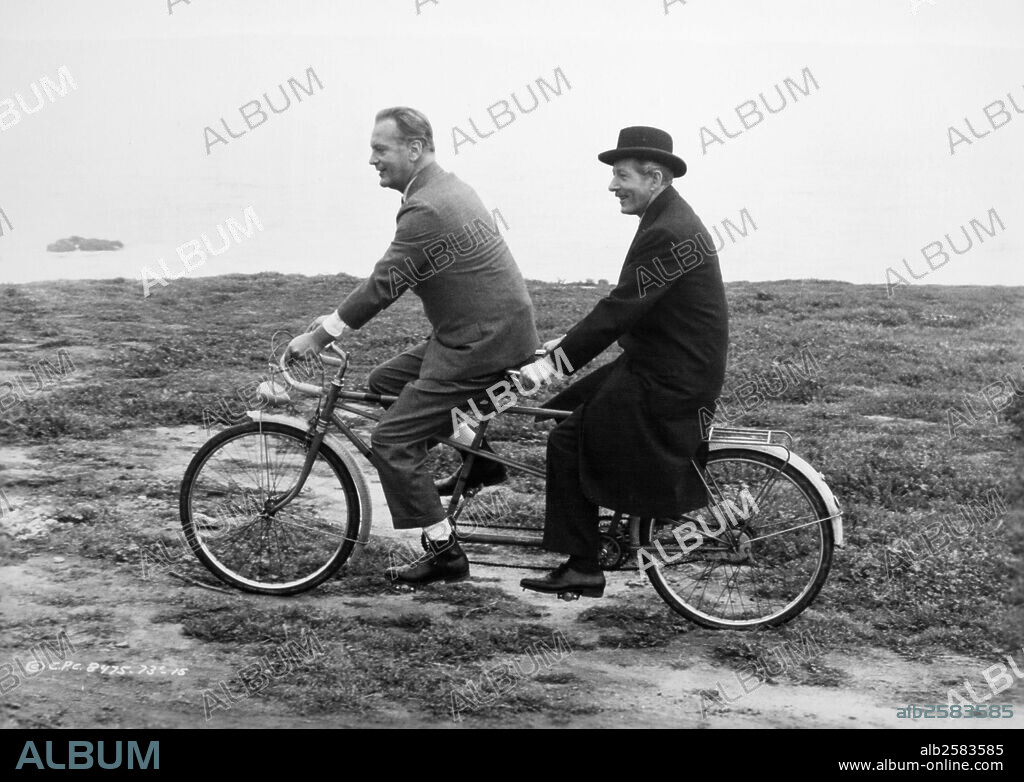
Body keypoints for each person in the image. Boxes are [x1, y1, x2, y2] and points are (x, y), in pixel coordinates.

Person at [286, 107, 538, 586]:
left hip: (479, 344)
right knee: (384, 382)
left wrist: (321, 335)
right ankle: (480, 462)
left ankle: (444, 551)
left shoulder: (428, 207)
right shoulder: (445, 188)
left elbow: (386, 282)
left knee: (393, 440)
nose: (372, 160)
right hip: (483, 331)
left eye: (381, 149)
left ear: (415, 149)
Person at [518, 126, 729, 598]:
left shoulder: (668, 230)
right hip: (661, 364)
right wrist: (564, 344)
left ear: (654, 177)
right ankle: (606, 520)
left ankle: (583, 565)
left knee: (566, 440)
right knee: (562, 409)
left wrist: (554, 362)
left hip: (669, 378)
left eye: (621, 176)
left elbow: (620, 308)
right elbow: (633, 306)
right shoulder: (668, 218)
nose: (612, 186)